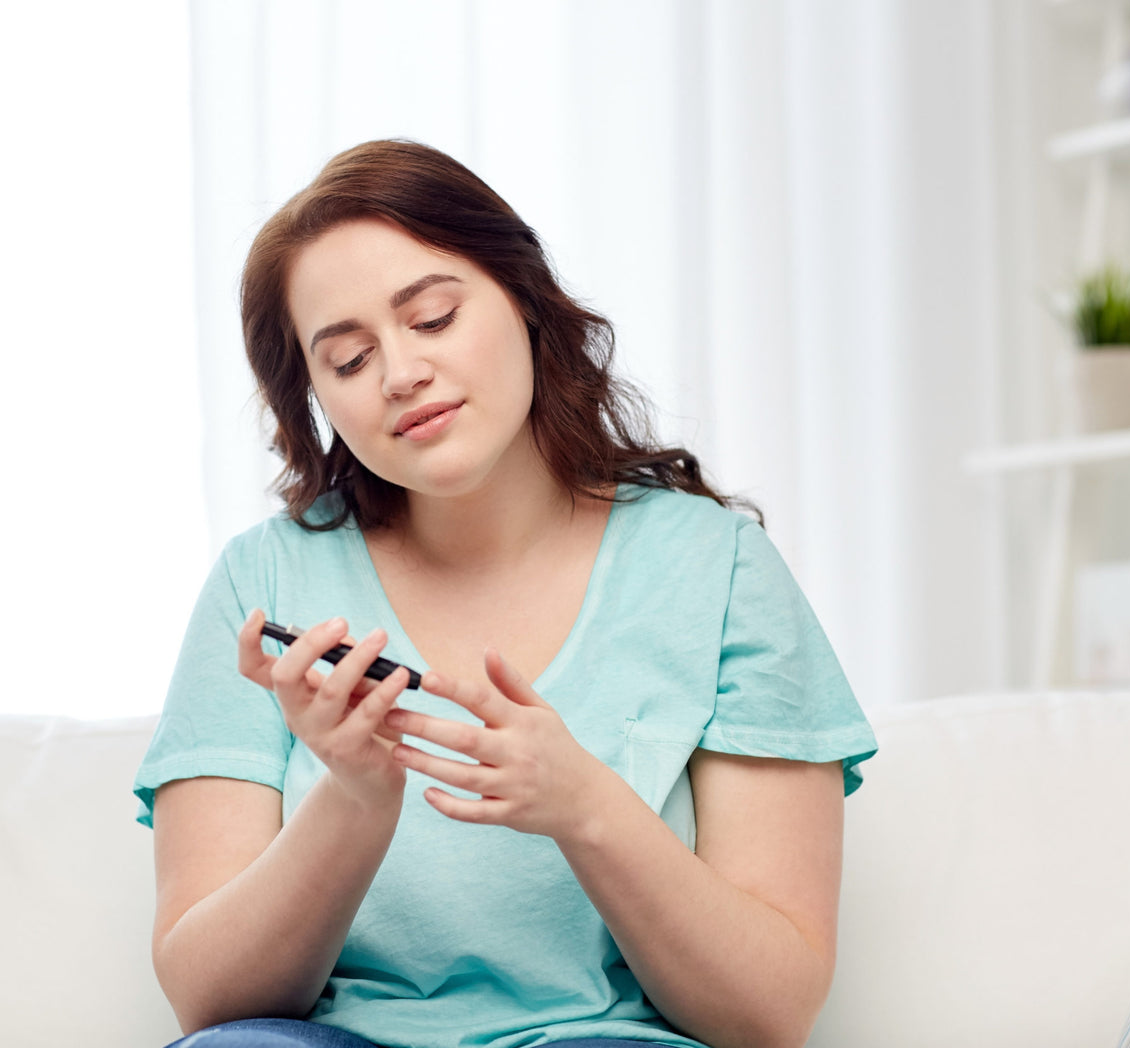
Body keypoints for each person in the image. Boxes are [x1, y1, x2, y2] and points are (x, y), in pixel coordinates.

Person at [132, 139, 878, 1048]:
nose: (401, 374)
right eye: (349, 360)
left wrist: (585, 806)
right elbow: (208, 1004)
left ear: (524, 299)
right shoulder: (263, 582)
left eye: (435, 319)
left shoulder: (716, 567)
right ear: (316, 399)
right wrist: (356, 798)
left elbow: (771, 1011)